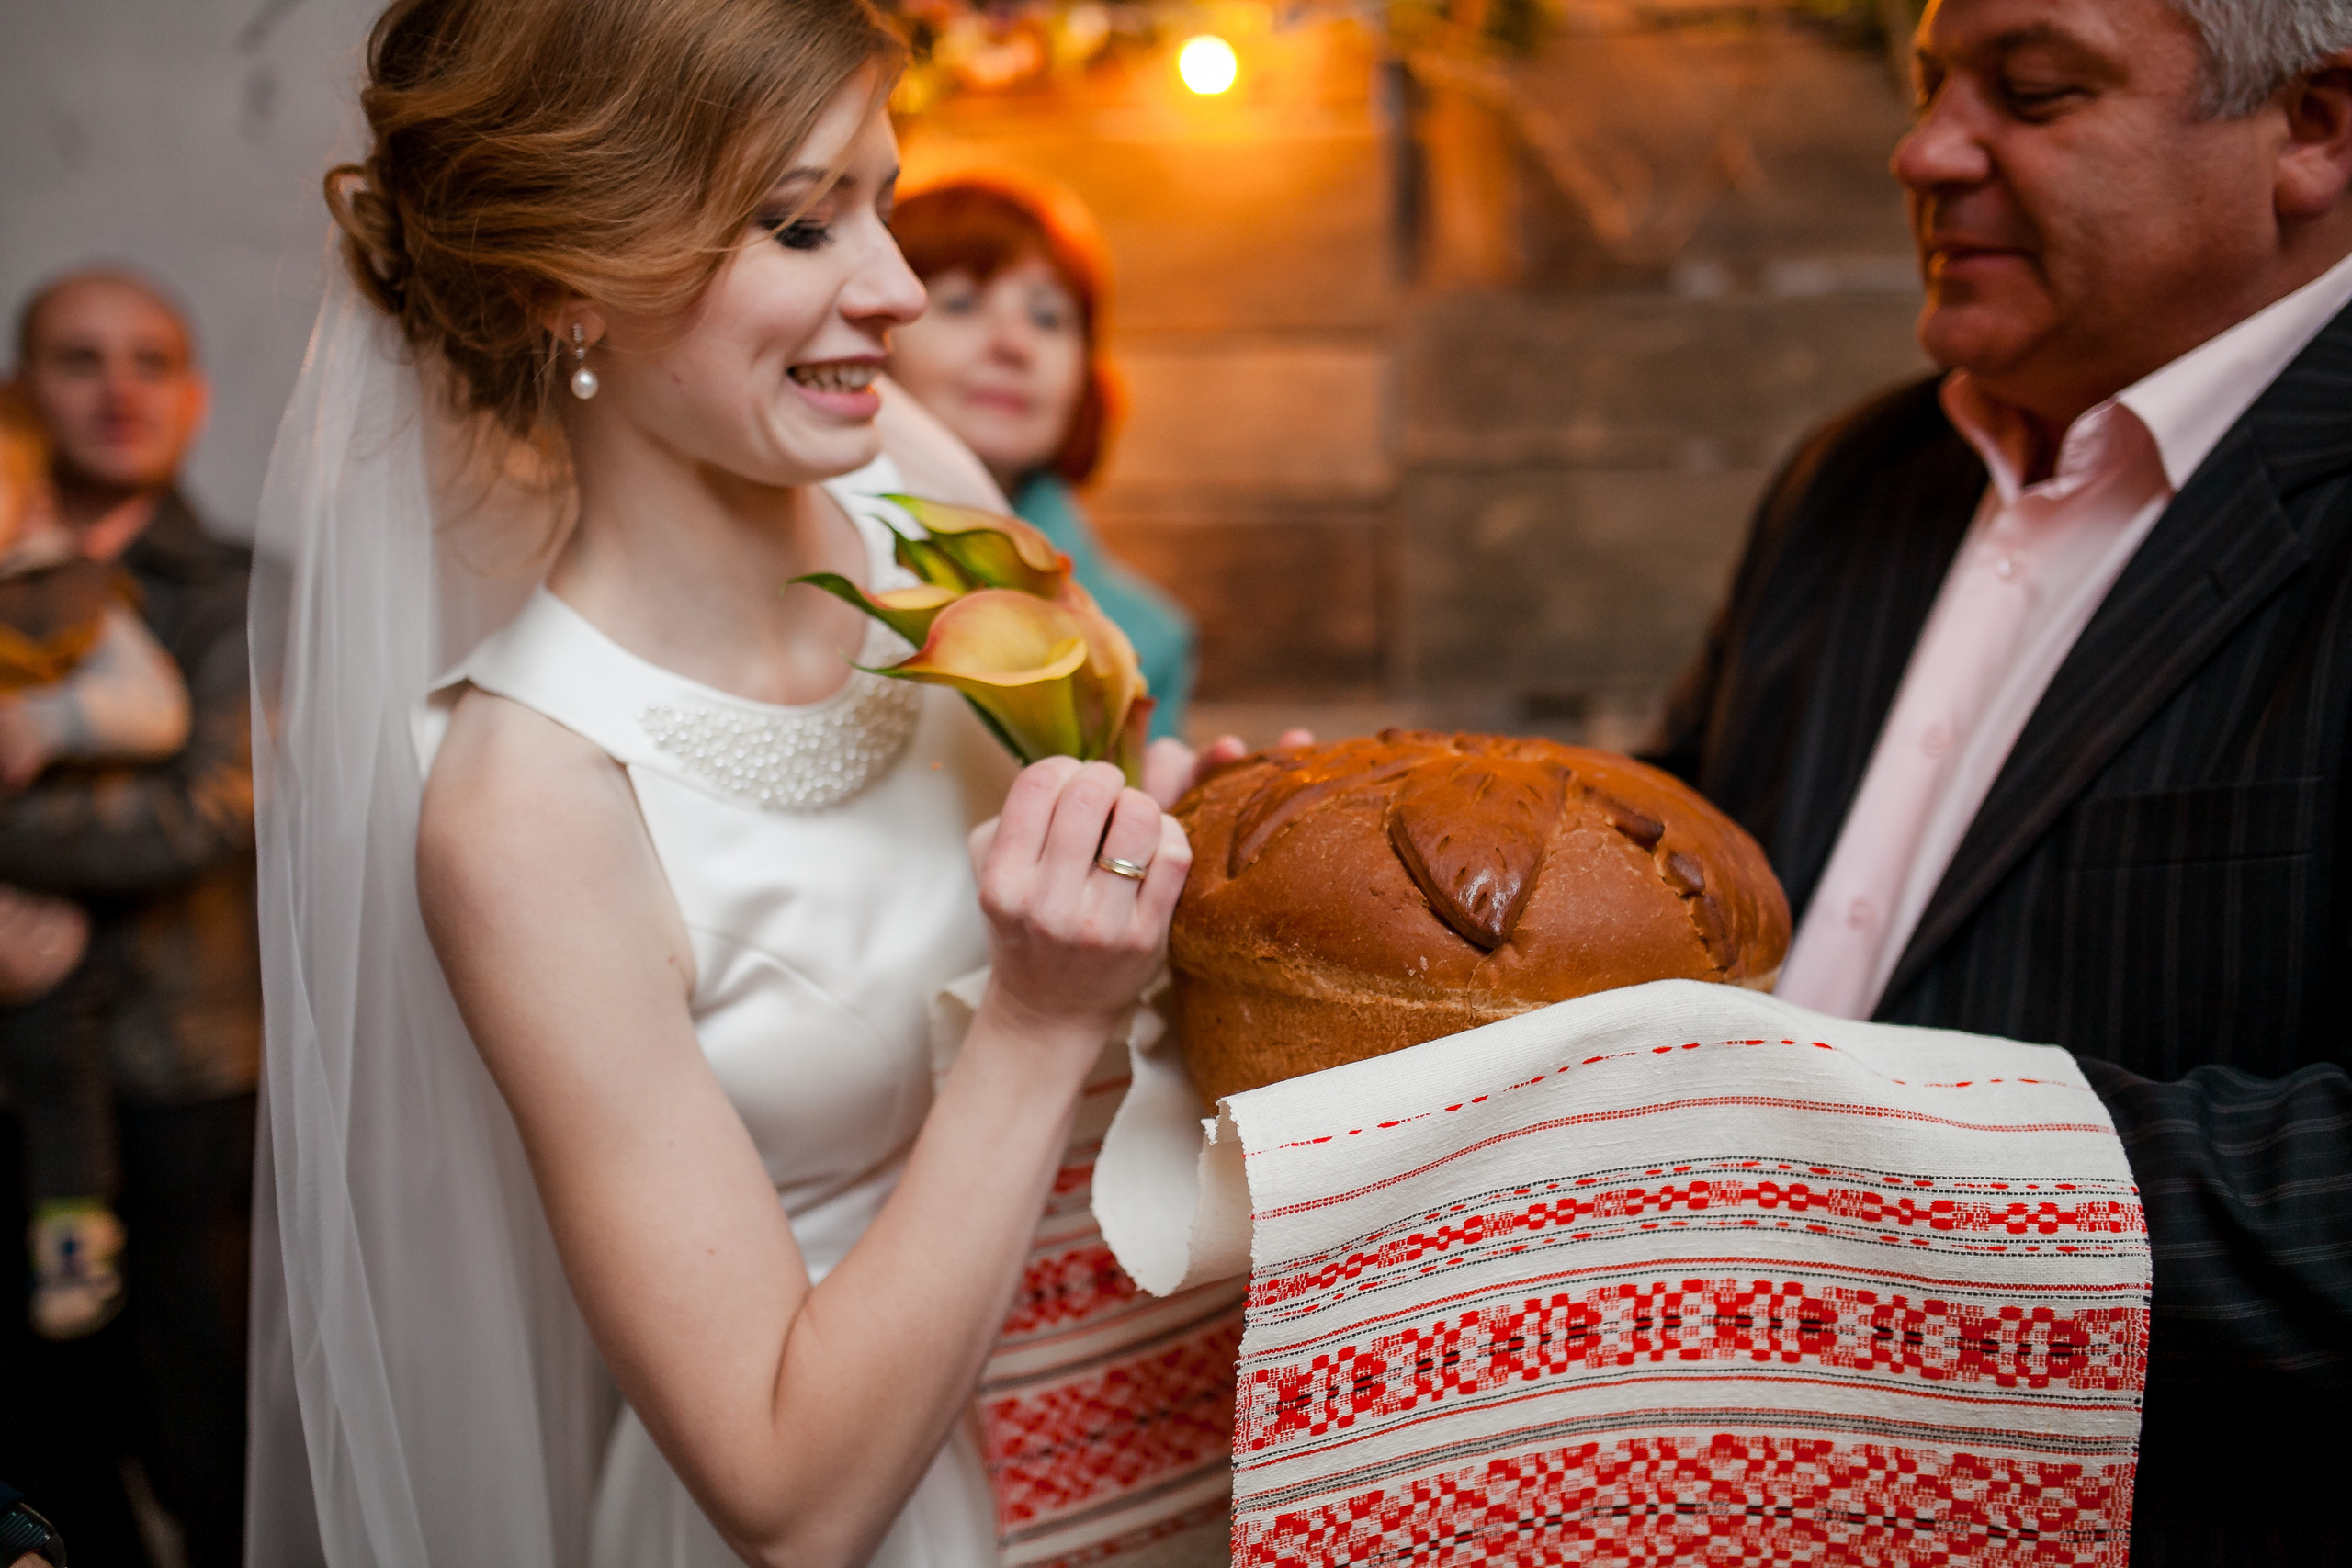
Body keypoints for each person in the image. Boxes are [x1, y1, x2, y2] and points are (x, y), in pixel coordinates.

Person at [246, 1, 1252, 1562]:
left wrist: (1191, 845)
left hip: (1143, 1427)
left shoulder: (910, 474)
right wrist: (1040, 1016)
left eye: (883, 201)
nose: (900, 292)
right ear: (564, 286)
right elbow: (790, 1496)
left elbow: (1109, 825)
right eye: (799, 224)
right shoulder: (528, 800)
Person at [1647, 0, 2352, 1559]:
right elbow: (1686, 863)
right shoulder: (1850, 477)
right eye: (1930, 85)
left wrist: (1826, 1167)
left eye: (2034, 93)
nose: (1925, 150)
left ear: (2316, 127)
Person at [0, 271, 255, 1568]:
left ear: (194, 398)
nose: (117, 388)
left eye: (150, 359)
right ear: (22, 394)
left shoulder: (244, 591)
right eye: (77, 357)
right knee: (36, 1451)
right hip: (12, 1082)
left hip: (183, 1070)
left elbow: (207, 810)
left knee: (201, 1426)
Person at [0, 384, 193, 1340]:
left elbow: (155, 712)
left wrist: (37, 720)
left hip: (49, 916)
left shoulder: (56, 595)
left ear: (29, 501)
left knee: (55, 1067)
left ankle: (73, 1235)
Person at [886, 177, 1197, 741]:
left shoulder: (1148, 638)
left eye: (1048, 318)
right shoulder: (791, 566)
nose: (1014, 344)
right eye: (960, 304)